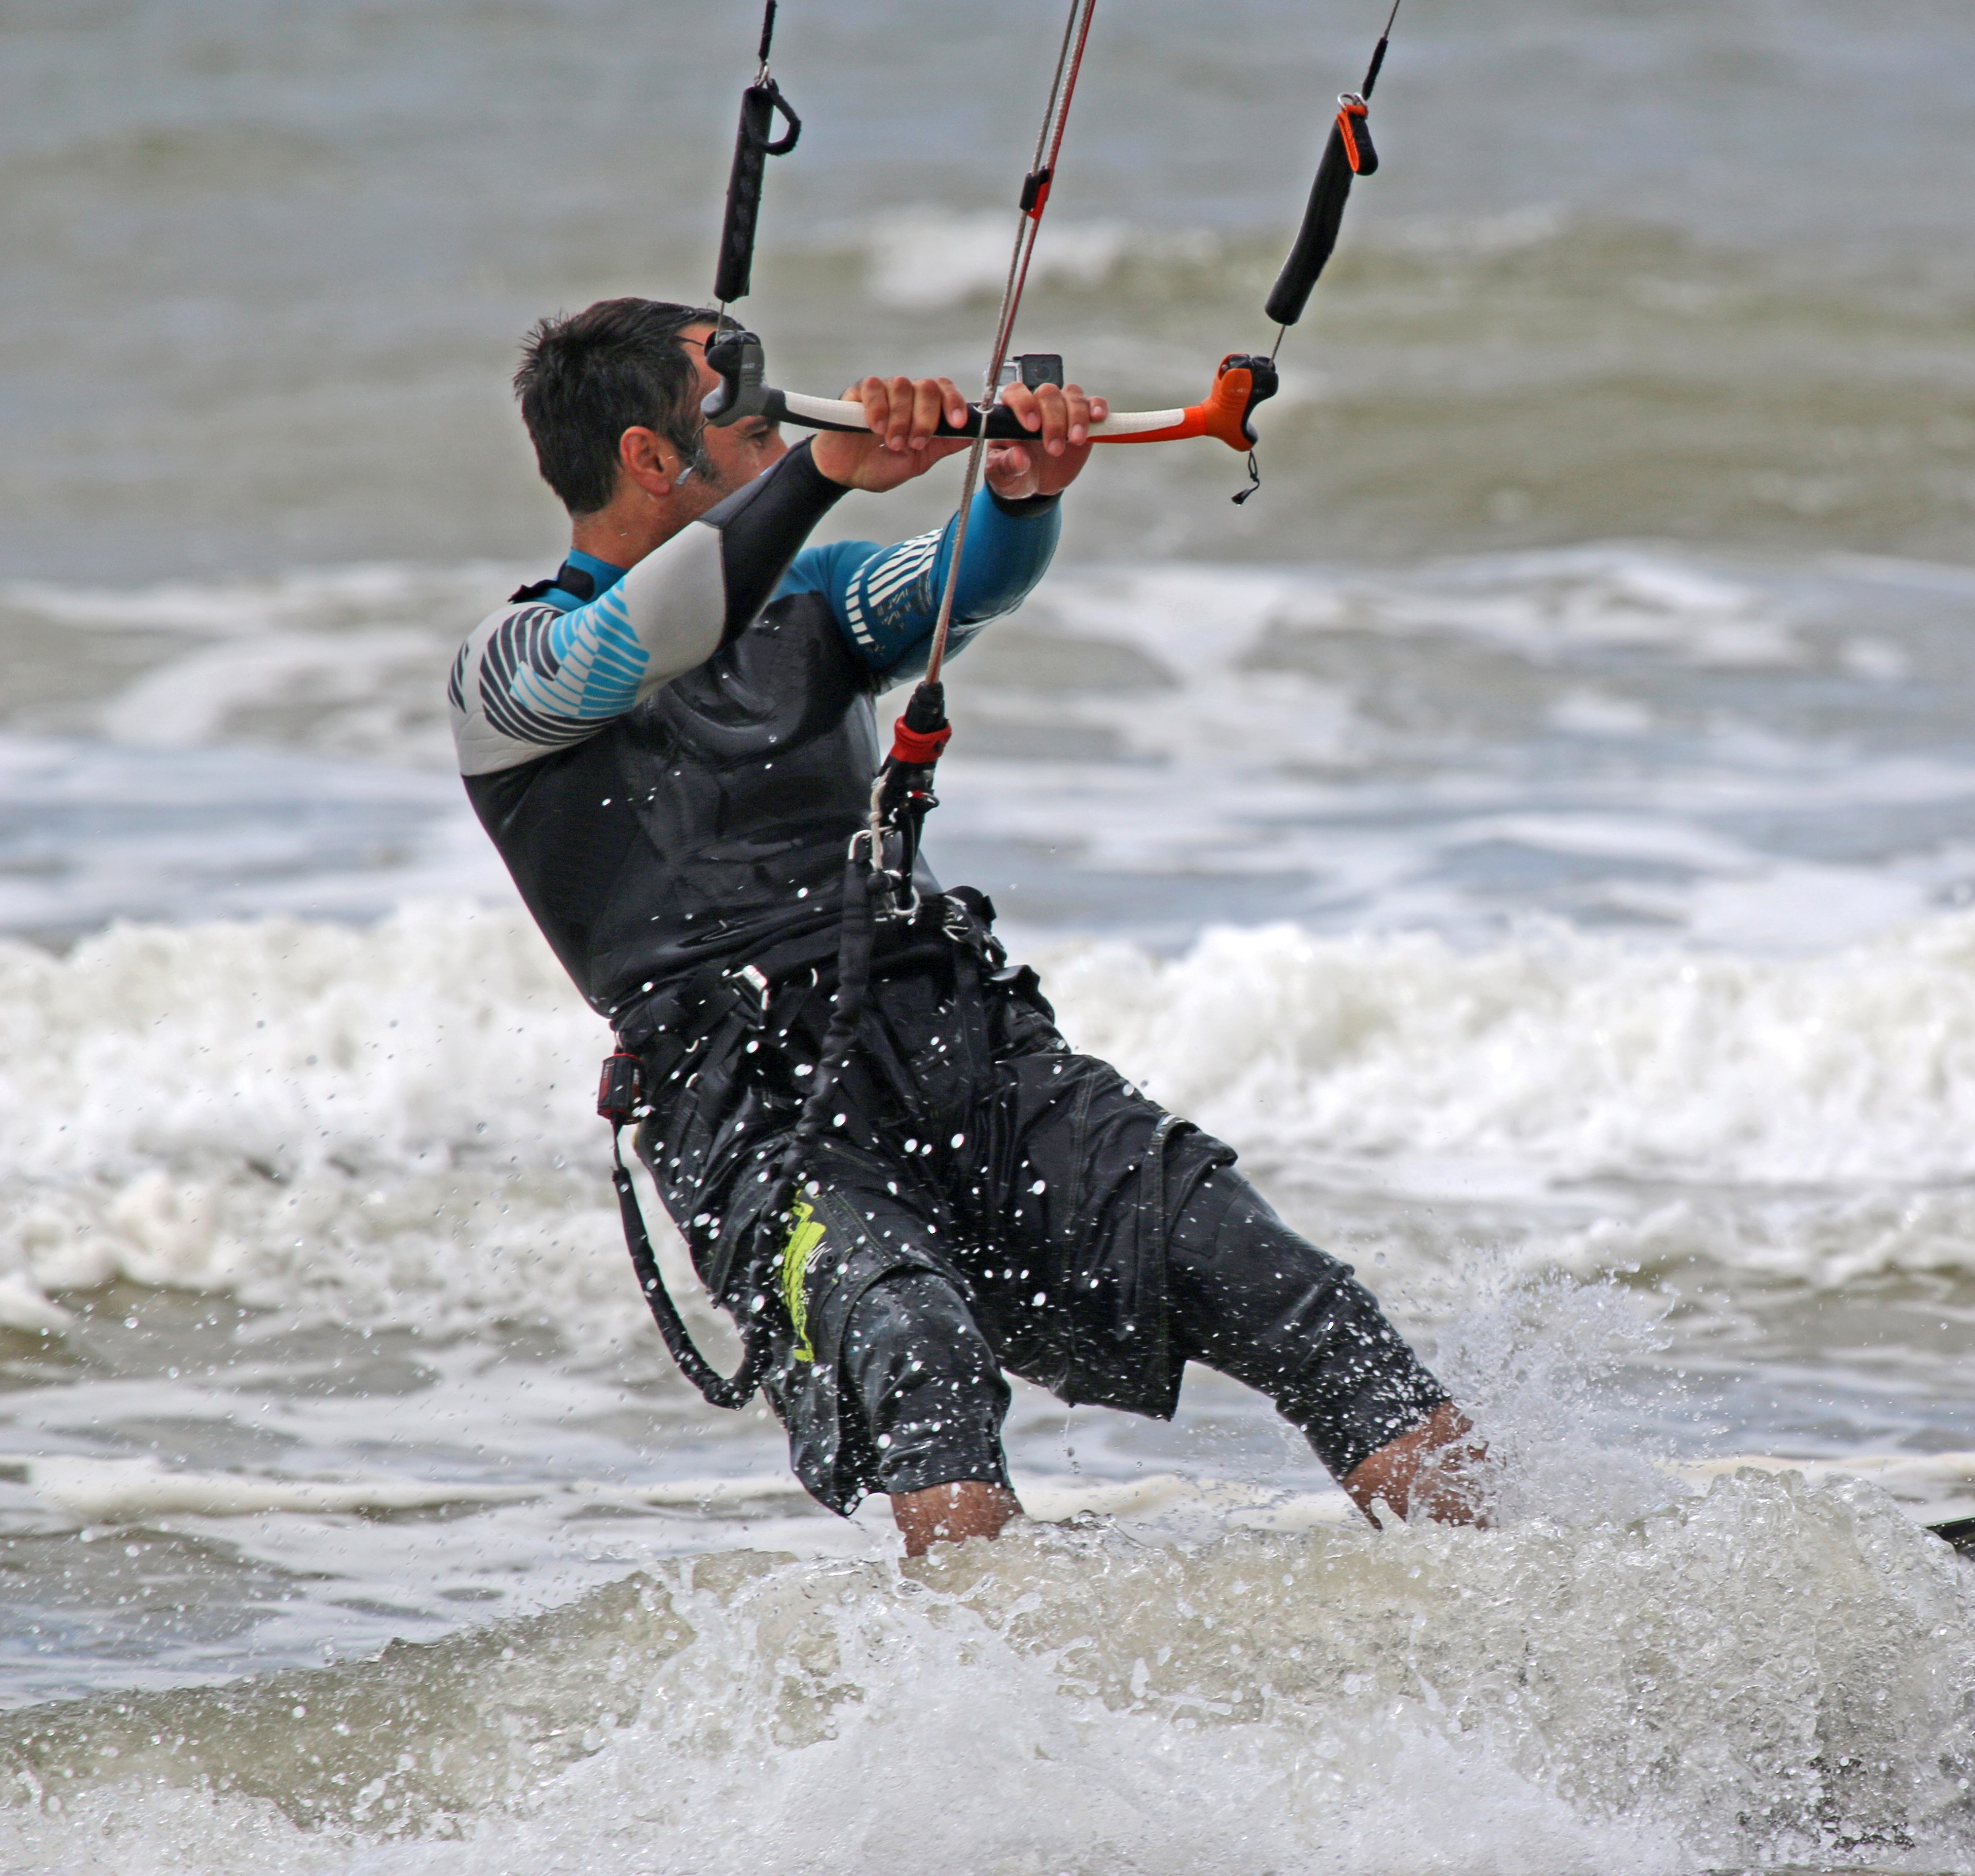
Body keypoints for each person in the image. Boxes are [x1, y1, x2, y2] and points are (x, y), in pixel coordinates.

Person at [448, 297, 1481, 1550]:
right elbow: (648, 638)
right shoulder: (511, 670)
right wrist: (830, 472)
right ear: (650, 459)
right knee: (920, 1356)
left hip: (958, 1044)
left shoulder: (816, 602)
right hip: (756, 1113)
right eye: (750, 417)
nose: (785, 429)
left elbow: (958, 584)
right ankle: (990, 1720)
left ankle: (1532, 1626)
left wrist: (1020, 495)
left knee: (1282, 1284)